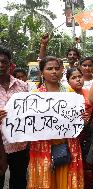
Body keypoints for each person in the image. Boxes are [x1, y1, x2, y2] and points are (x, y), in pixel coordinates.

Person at [27, 56, 84, 189]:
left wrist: (82, 118)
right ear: (42, 72)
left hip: (67, 145)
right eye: (49, 69)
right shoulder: (34, 95)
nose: (54, 72)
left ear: (62, 71)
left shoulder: (70, 92)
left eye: (57, 68)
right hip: (43, 146)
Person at [0, 46, 29, 189]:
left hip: (19, 145)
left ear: (10, 64)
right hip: (0, 144)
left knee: (19, 182)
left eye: (3, 61)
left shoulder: (23, 86)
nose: (0, 65)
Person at [66, 67, 93, 188]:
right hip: (71, 138)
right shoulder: (64, 95)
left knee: (87, 165)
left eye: (79, 77)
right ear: (68, 81)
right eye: (73, 78)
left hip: (88, 135)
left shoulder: (89, 93)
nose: (78, 80)